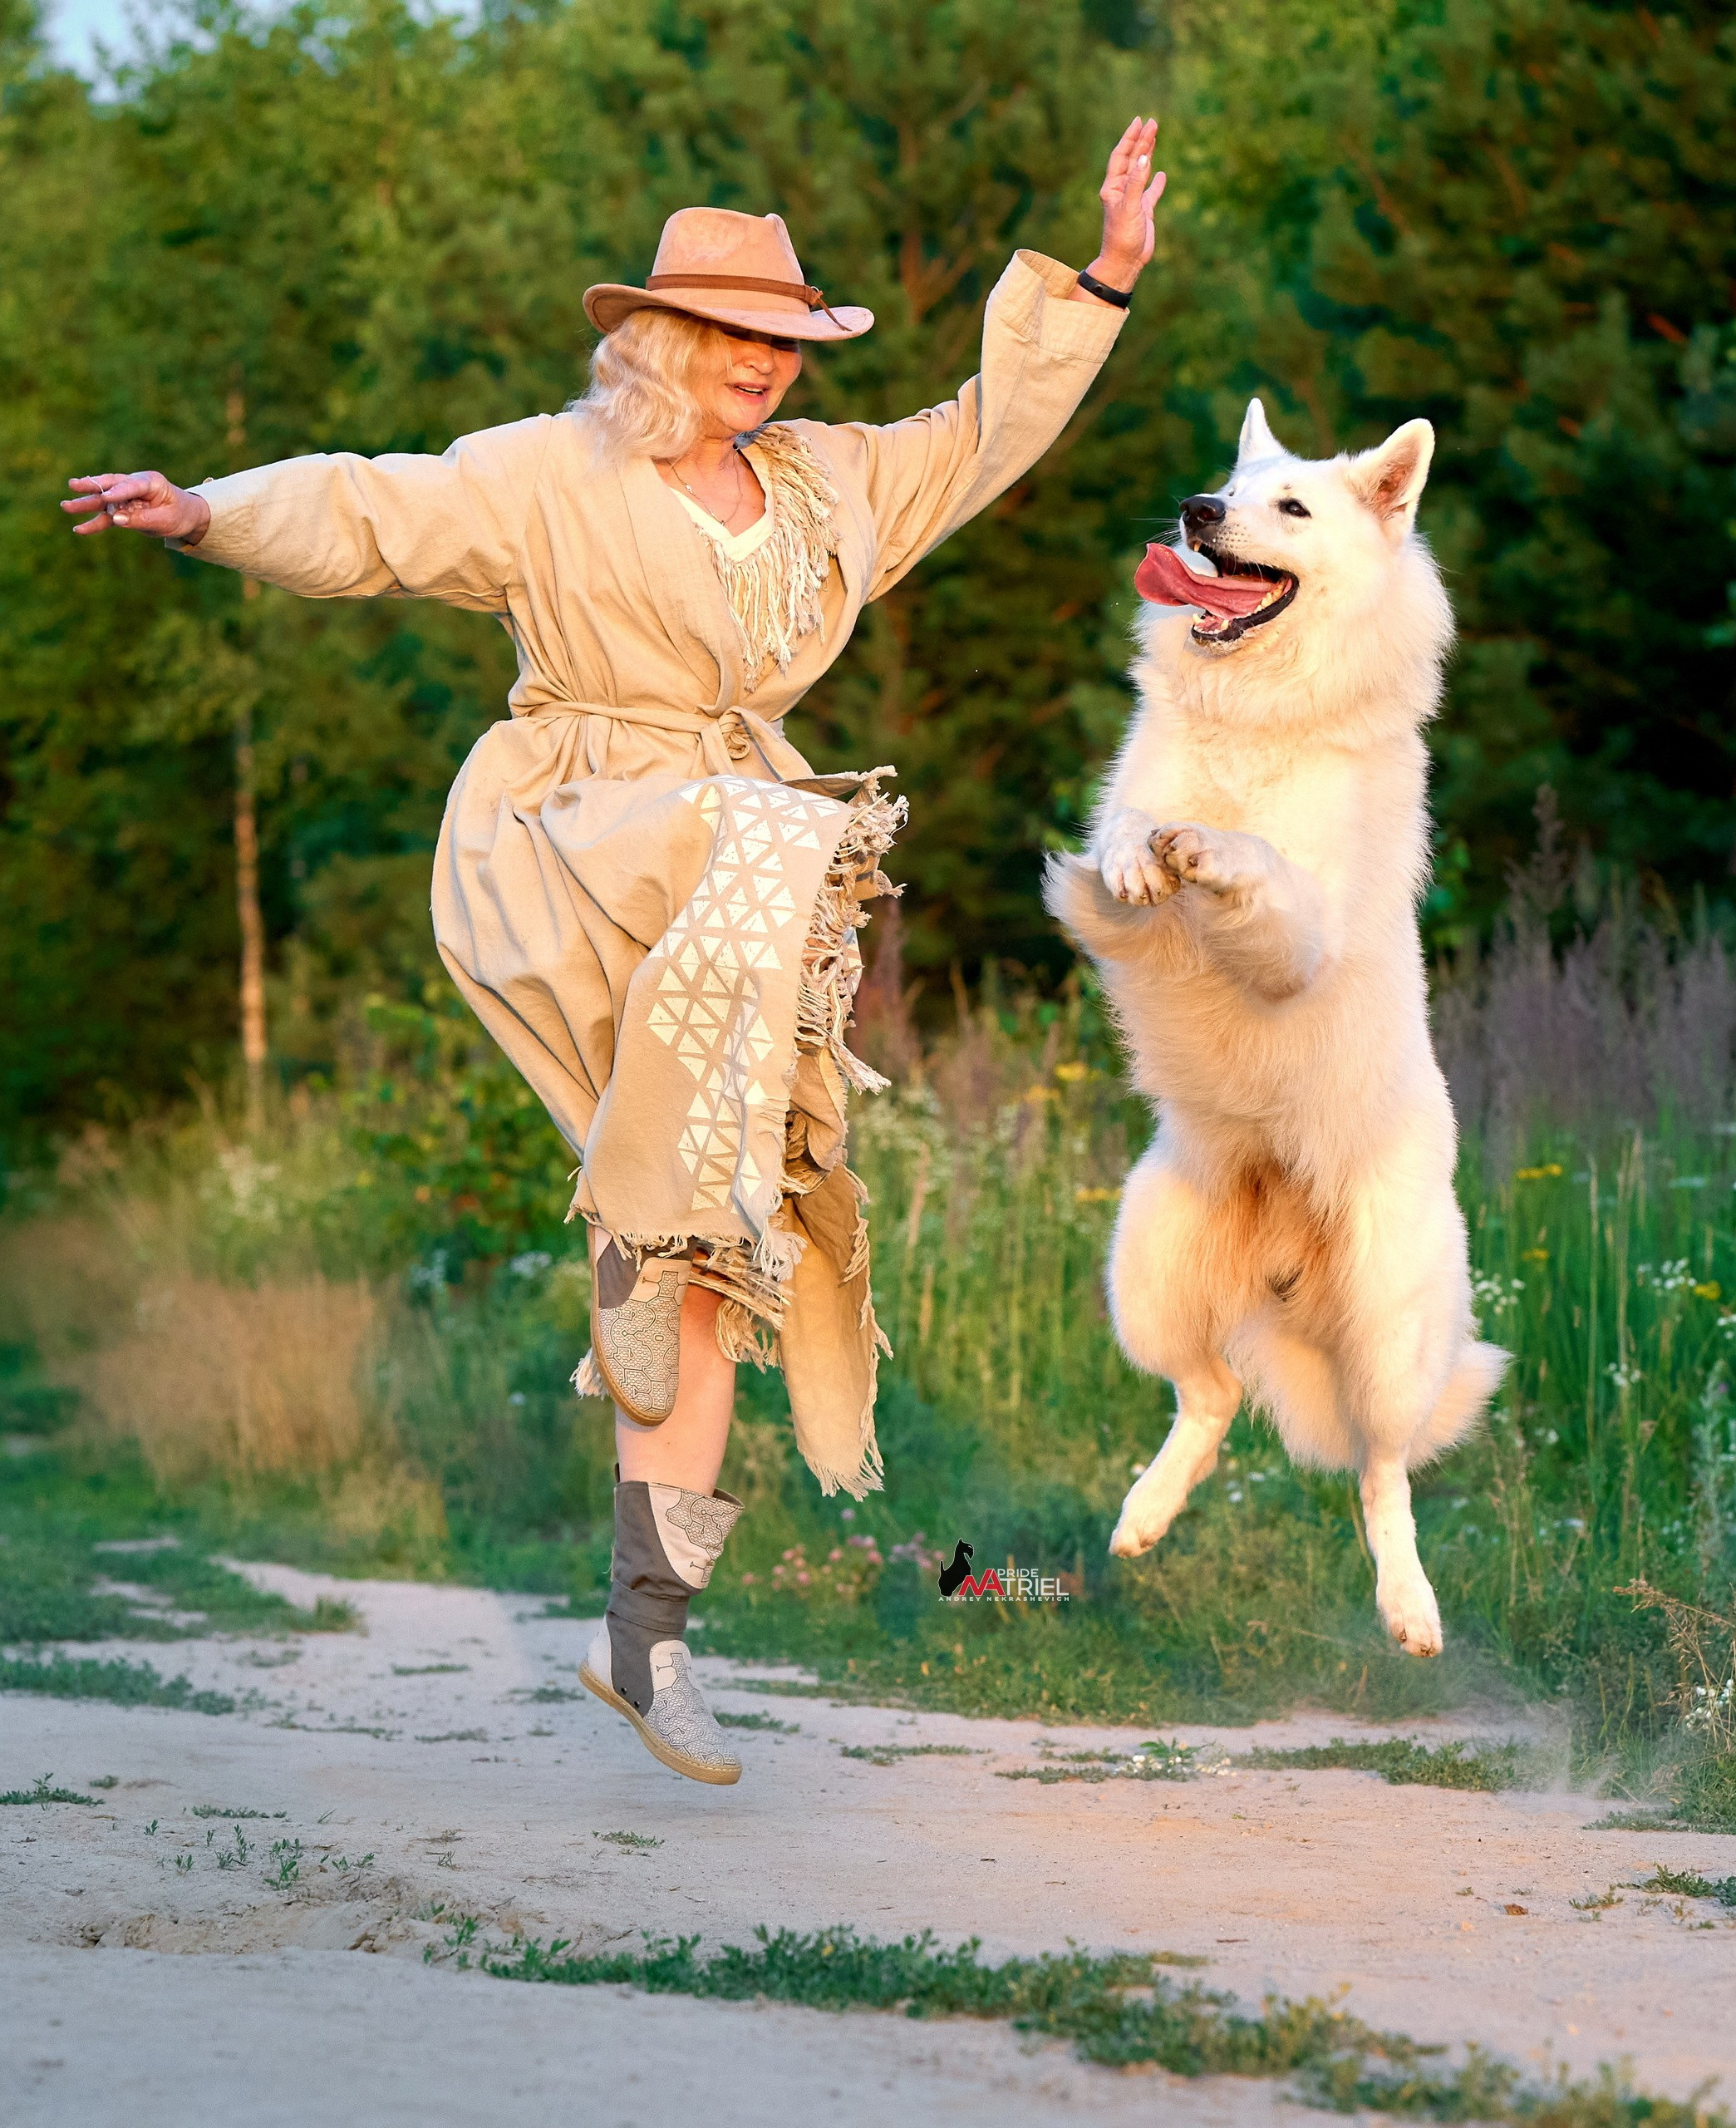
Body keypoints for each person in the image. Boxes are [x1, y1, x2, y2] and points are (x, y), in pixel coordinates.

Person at [63, 121, 1167, 1786]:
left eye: (787, 345)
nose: (767, 371)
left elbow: (980, 432)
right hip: (579, 833)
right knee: (791, 827)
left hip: (724, 894)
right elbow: (373, 509)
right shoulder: (550, 472)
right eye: (737, 340)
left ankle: (646, 1646)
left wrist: (1102, 280)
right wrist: (205, 510)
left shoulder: (826, 487)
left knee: (711, 1271)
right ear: (659, 337)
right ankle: (645, 1227)